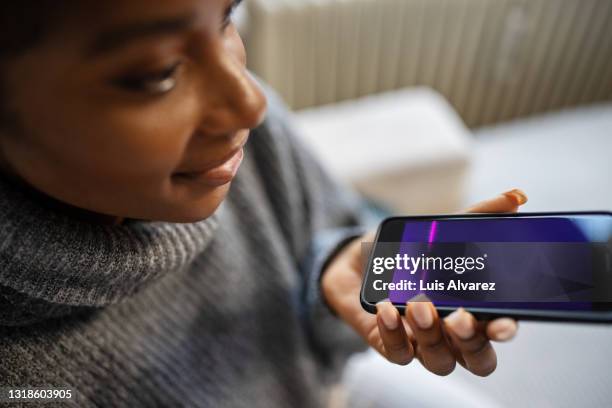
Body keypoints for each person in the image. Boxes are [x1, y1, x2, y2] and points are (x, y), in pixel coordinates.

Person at [0, 1, 526, 406]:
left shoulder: (243, 140)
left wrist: (333, 277)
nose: (250, 103)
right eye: (156, 73)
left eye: (227, 16)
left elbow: (322, 248)